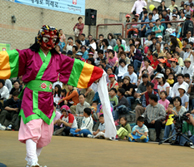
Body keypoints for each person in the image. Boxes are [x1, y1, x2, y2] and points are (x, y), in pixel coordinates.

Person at [0, 25, 115, 166]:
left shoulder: (57, 58)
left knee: (44, 134)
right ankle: (32, 161)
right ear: (40, 38)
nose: (50, 42)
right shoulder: (28, 54)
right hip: (32, 96)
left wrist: (96, 72)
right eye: (47, 38)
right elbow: (9, 58)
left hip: (47, 98)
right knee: (33, 127)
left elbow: (76, 66)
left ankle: (32, 162)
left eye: (53, 39)